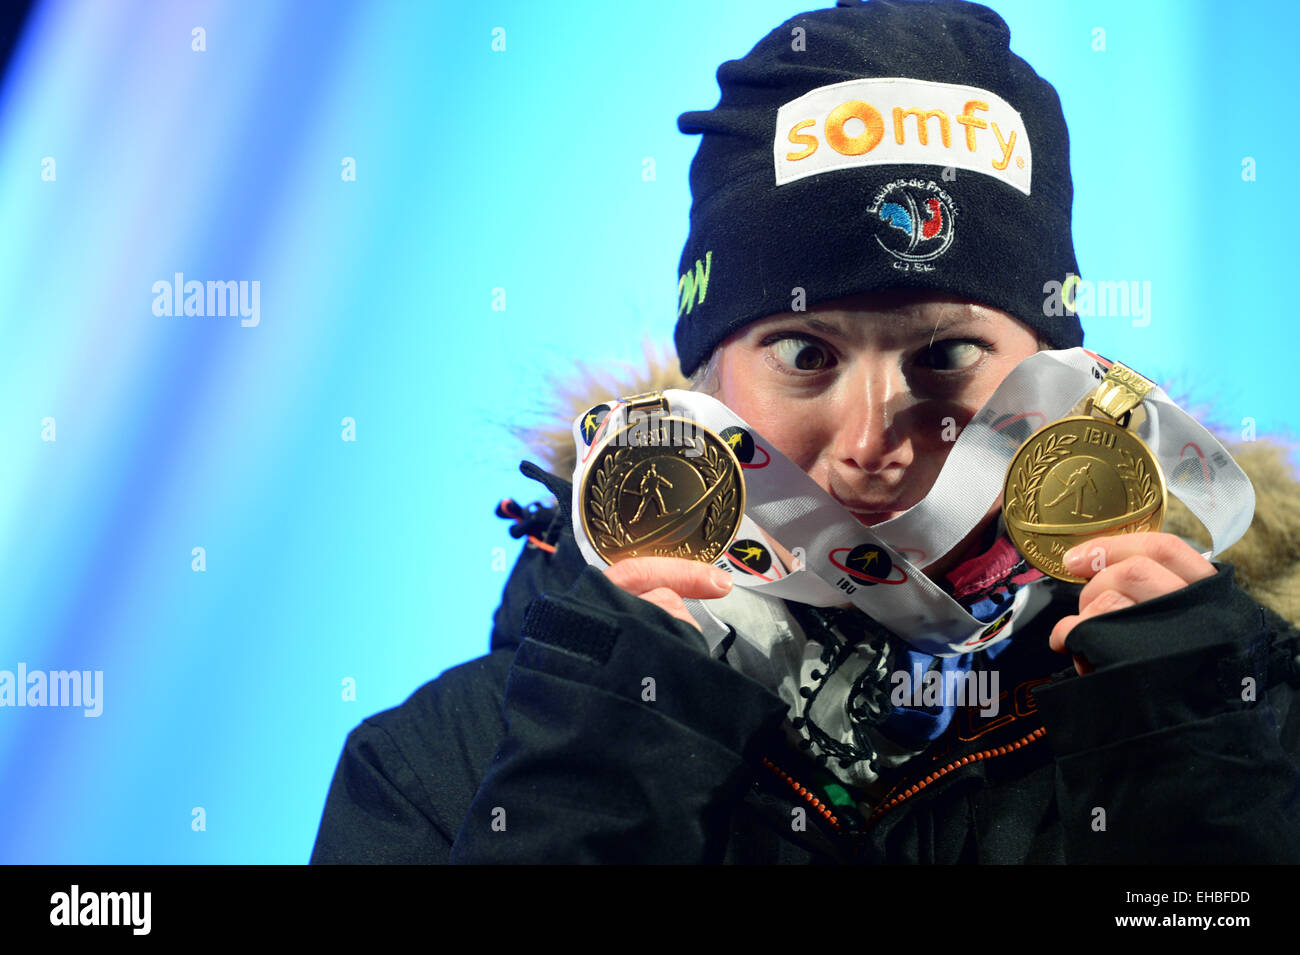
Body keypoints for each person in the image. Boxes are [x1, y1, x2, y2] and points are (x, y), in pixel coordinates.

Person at [310, 0, 1300, 864]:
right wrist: (587, 794)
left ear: (1052, 383)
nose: (872, 438)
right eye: (803, 354)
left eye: (946, 354)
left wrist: (1210, 796)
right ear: (703, 375)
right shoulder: (448, 758)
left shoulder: (1245, 716)